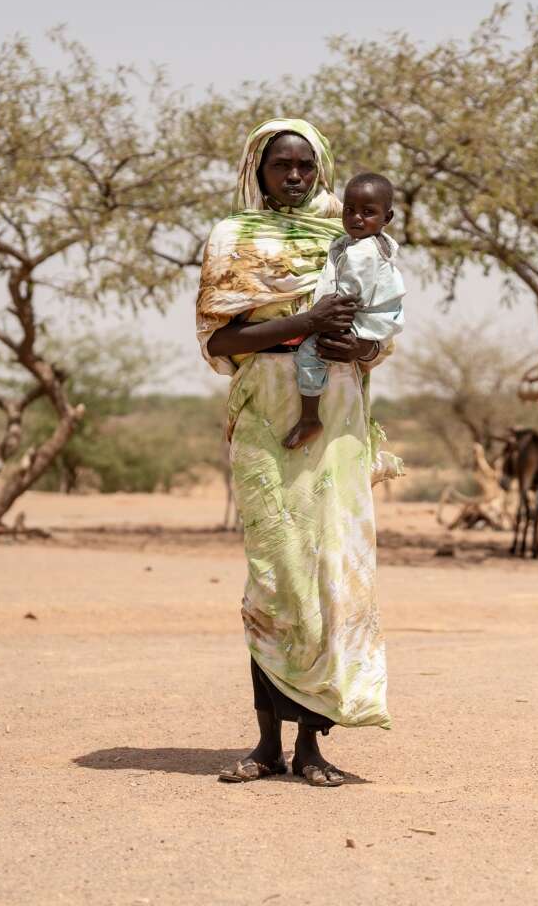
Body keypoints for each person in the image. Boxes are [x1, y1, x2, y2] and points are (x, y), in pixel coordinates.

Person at [196, 118, 393, 787]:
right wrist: (305, 323)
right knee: (275, 577)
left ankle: (312, 745)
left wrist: (360, 348)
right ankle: (264, 745)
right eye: (282, 165)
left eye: (306, 166)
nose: (295, 177)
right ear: (258, 169)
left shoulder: (353, 234)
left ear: (323, 169)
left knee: (332, 575)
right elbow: (221, 342)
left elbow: (383, 326)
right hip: (265, 421)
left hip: (336, 419)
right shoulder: (232, 238)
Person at [285, 172, 405, 450]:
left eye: (368, 212)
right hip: (371, 324)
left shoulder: (361, 251)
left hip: (352, 323)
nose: (356, 218)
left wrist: (322, 321)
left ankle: (309, 417)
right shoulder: (374, 245)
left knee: (308, 354)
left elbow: (350, 294)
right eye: (349, 210)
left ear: (387, 218)